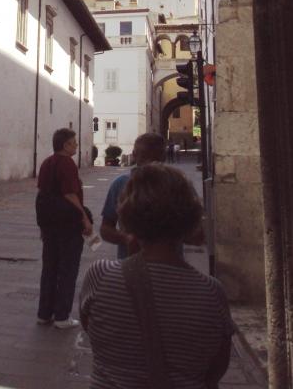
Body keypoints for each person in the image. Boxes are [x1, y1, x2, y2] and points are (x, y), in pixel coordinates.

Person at [80, 164, 234, 389]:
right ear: (190, 218)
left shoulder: (99, 276)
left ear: (127, 215)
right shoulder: (211, 293)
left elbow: (91, 330)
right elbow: (215, 370)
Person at [36, 128, 93, 329]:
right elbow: (70, 194)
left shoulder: (46, 162)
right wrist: (84, 218)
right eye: (74, 142)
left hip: (49, 222)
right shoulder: (67, 164)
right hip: (67, 223)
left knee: (49, 268)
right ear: (65, 145)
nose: (76, 145)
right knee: (68, 268)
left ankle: (44, 313)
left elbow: (42, 191)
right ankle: (62, 316)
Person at [100, 133, 166, 259]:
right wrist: (126, 238)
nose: (149, 164)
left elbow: (106, 228)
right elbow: (105, 229)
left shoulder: (177, 184)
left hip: (134, 265)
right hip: (165, 266)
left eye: (154, 158)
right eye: (145, 156)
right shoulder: (120, 184)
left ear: (134, 155)